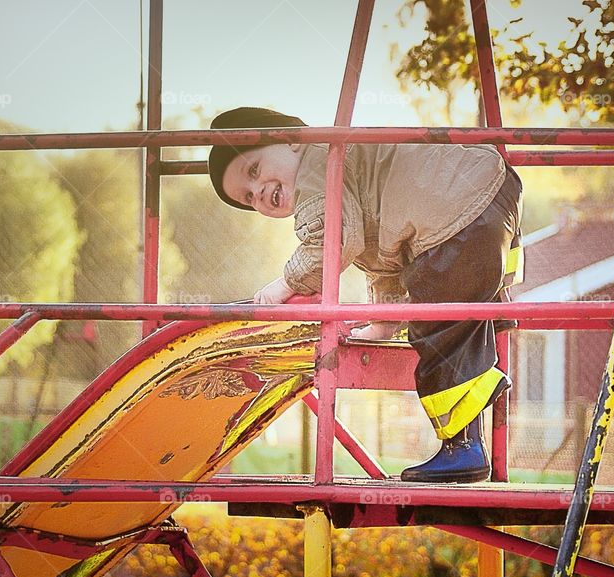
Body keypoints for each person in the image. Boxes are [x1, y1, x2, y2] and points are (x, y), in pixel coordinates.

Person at [208, 107, 523, 483]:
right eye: (247, 199)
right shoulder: (352, 171)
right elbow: (389, 259)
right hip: (490, 194)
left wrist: (284, 285)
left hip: (456, 212)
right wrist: (383, 325)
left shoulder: (316, 164)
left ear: (290, 139)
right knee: (458, 311)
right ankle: (481, 391)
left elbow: (331, 244)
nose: (258, 192)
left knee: (436, 329)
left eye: (254, 170)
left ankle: (463, 450)